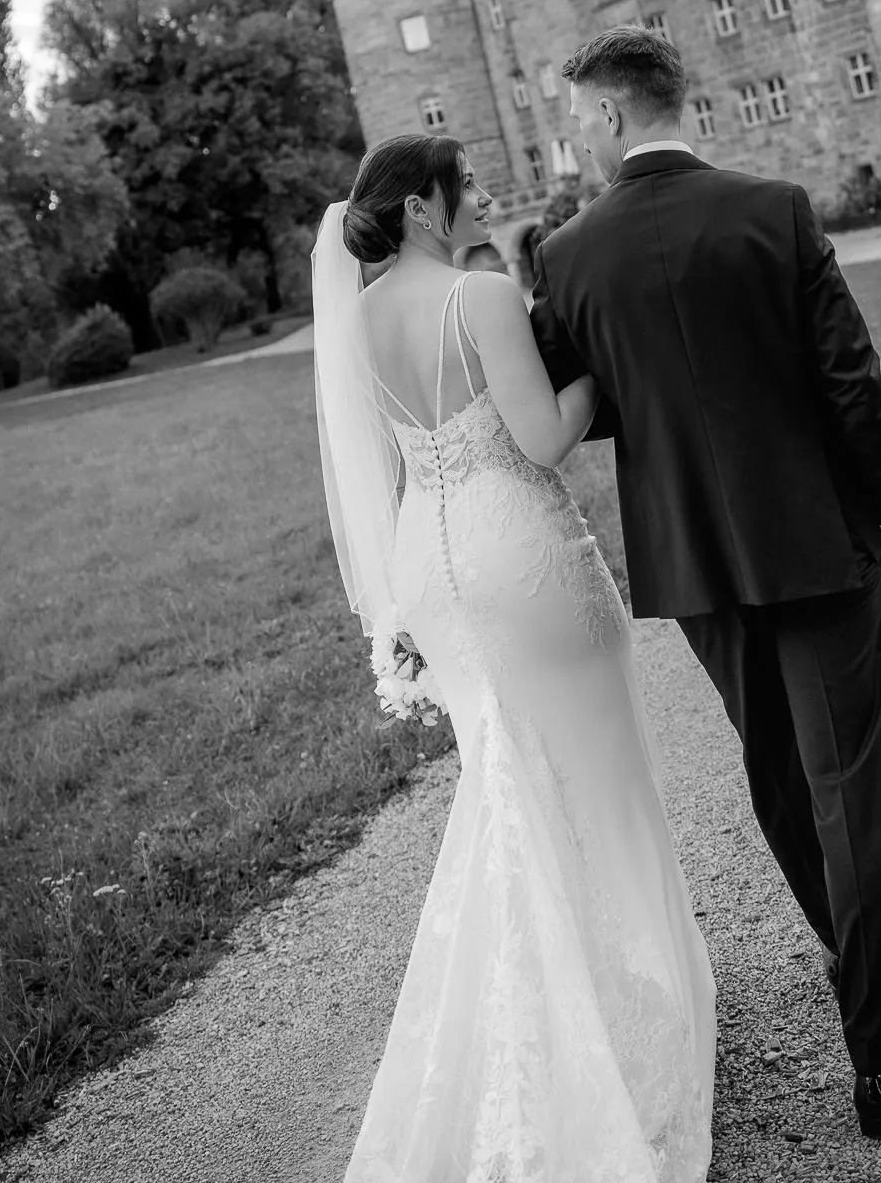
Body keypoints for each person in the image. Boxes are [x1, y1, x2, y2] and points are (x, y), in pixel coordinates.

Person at [529, 27, 881, 1141]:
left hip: (698, 565)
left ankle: (864, 980)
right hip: (818, 544)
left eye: (576, 117)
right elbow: (849, 378)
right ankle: (880, 1057)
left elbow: (585, 409)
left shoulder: (567, 260)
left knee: (777, 781)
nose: (573, 137)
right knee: (849, 790)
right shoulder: (776, 209)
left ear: (613, 116)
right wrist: (880, 504)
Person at [311, 133, 715, 1183]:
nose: (486, 197)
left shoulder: (353, 321)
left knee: (506, 780)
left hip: (432, 569)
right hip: (519, 551)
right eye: (469, 187)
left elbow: (383, 461)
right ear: (418, 209)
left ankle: (530, 1013)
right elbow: (541, 440)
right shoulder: (477, 297)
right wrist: (592, 363)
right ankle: (639, 1009)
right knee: (596, 774)